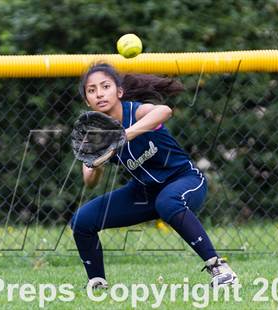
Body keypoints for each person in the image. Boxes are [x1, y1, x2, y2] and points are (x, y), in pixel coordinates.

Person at [70, 63, 237, 289]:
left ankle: (219, 268)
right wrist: (96, 161)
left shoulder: (134, 111)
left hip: (184, 180)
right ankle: (97, 282)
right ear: (87, 101)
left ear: (119, 92)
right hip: (144, 192)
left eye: (105, 86)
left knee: (167, 201)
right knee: (82, 220)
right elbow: (90, 181)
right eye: (91, 90)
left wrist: (122, 137)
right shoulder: (95, 134)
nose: (99, 93)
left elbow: (164, 111)